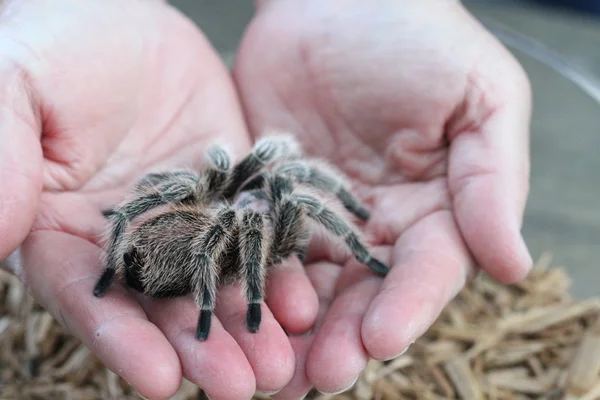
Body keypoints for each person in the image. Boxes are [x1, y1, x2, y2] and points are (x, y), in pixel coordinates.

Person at [0, 0, 533, 399]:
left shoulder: (233, 207)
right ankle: (208, 288)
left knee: (239, 191)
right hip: (173, 265)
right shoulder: (247, 220)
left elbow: (218, 195)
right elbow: (243, 212)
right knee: (243, 201)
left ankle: (139, 247)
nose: (258, 196)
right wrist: (242, 304)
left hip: (156, 256)